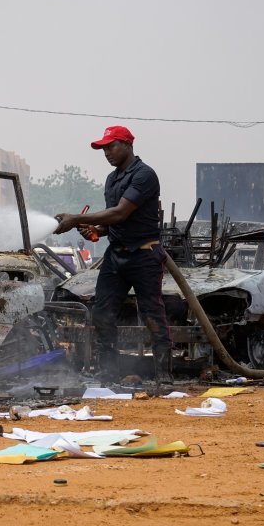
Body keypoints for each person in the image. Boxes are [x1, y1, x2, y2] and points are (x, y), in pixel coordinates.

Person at [54, 125, 172, 387]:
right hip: (116, 256)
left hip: (144, 256)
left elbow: (120, 213)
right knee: (103, 314)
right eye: (104, 148)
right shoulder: (112, 179)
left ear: (128, 145)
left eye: (111, 146)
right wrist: (95, 230)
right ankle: (109, 373)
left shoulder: (144, 175)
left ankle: (164, 375)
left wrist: (75, 218)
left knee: (152, 314)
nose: (106, 152)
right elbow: (113, 223)